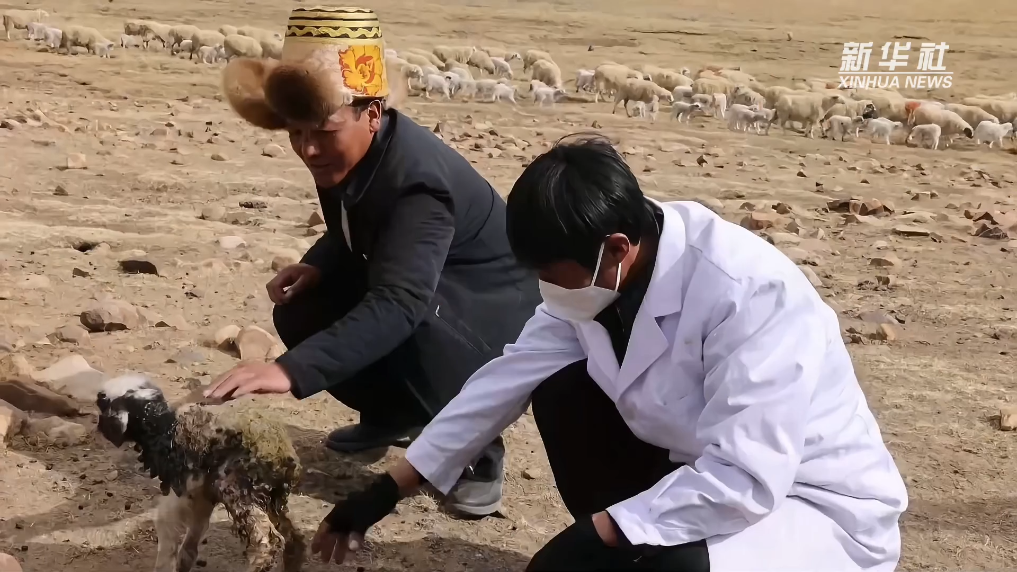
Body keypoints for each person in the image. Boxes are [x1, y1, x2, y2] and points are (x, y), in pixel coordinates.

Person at [306, 136, 910, 571]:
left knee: (661, 565)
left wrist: (602, 536)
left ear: (616, 248)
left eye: (551, 273)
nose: (545, 288)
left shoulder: (750, 294)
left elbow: (746, 477)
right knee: (559, 386)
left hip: (802, 503)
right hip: (690, 466)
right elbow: (504, 381)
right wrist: (387, 490)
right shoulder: (595, 281)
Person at [204, 6, 541, 517]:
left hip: (492, 321)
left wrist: (290, 370)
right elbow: (358, 223)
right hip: (439, 290)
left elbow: (402, 299)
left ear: (373, 113)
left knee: (413, 317)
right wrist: (320, 263)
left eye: (323, 131)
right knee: (304, 308)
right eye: (296, 133)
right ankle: (394, 415)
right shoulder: (352, 156)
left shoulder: (417, 183)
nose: (308, 149)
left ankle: (476, 454)